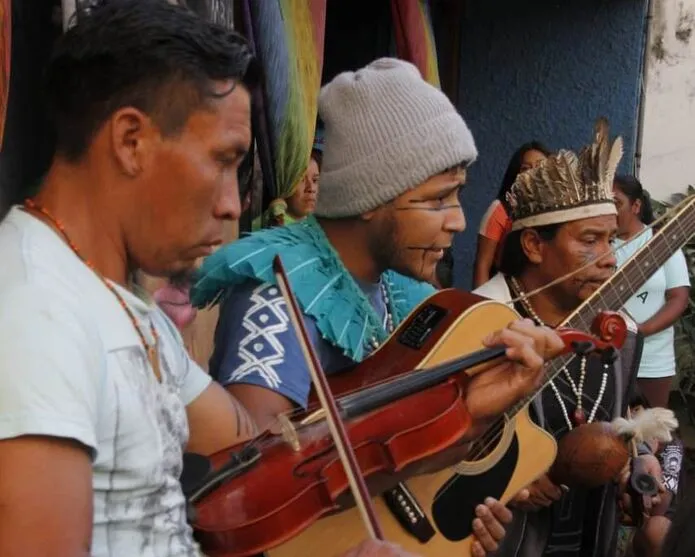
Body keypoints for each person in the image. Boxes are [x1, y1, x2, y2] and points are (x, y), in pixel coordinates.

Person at [0, 3, 442, 556]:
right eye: (223, 160)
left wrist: (464, 421)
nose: (234, 204)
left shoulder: (114, 301)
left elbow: (252, 440)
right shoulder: (37, 312)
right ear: (131, 141)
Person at [192, 58, 567, 556]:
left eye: (457, 195)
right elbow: (255, 494)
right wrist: (433, 452)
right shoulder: (279, 293)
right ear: (372, 197)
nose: (458, 221)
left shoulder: (404, 294)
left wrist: (452, 510)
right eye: (437, 200)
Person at [474, 119, 662, 557]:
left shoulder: (622, 333)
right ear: (535, 246)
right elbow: (436, 455)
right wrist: (506, 477)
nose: (609, 260)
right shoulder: (481, 324)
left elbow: (625, 415)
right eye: (590, 241)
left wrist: (637, 461)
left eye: (612, 240)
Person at [613, 175, 690, 409]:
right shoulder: (599, 245)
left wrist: (640, 332)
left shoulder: (662, 242)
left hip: (653, 359)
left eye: (616, 203)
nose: (610, 210)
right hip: (607, 357)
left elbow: (678, 298)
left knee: (651, 434)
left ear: (636, 206)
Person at [473, 141, 550, 288]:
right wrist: (483, 306)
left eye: (540, 167)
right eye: (526, 168)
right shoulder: (500, 209)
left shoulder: (558, 212)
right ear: (516, 174)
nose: (533, 173)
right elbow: (482, 265)